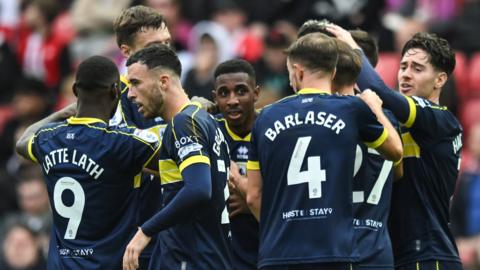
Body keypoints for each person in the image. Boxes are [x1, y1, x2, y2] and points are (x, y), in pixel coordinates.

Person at [245, 32, 402, 269]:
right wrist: (374, 107)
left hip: (278, 253)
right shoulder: (352, 110)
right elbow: (395, 152)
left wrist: (279, 227)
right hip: (333, 251)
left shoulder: (265, 117)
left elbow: (253, 196)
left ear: (298, 71)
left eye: (289, 72)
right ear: (334, 72)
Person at [327, 25, 463, 270]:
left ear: (440, 79)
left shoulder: (439, 119)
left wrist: (351, 47)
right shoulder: (394, 119)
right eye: (403, 67)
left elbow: (379, 92)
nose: (406, 75)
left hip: (428, 256)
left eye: (417, 68)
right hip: (400, 255)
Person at [15, 55, 160, 269]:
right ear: (115, 92)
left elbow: (22, 142)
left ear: (75, 91)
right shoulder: (123, 142)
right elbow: (177, 161)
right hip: (109, 264)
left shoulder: (49, 138)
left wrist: (62, 113)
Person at [123, 45, 232, 270]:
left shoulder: (184, 123)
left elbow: (199, 189)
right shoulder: (204, 120)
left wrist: (145, 231)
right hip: (205, 255)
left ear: (163, 81)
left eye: (135, 83)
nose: (130, 94)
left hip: (191, 258)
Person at [112, 7, 171, 268]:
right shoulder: (116, 100)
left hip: (169, 229)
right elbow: (123, 156)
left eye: (167, 42)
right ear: (127, 52)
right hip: (134, 233)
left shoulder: (170, 87)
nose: (166, 50)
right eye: (155, 45)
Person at [212, 59, 260, 269]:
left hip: (265, 245)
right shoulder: (208, 131)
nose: (232, 100)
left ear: (256, 93)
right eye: (224, 93)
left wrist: (253, 205)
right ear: (214, 98)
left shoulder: (272, 130)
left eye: (241, 91)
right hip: (221, 250)